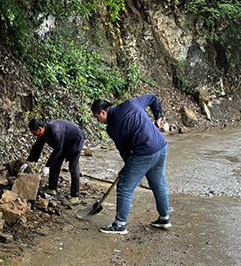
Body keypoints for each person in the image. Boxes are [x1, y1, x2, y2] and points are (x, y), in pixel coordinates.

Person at [90, 94, 171, 234]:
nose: (98, 121)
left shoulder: (112, 127)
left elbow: (124, 151)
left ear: (103, 112)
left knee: (124, 187)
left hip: (144, 152)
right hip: (161, 147)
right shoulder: (131, 103)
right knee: (159, 184)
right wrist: (158, 117)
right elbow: (152, 97)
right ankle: (164, 218)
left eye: (97, 117)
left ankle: (119, 225)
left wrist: (128, 167)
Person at [20, 118, 84, 204]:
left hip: (75, 141)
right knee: (55, 164)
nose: (34, 134)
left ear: (40, 129)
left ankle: (75, 196)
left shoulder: (55, 131)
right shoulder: (43, 132)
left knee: (73, 167)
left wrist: (47, 166)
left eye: (34, 132)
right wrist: (28, 162)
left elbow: (58, 150)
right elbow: (37, 147)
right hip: (63, 142)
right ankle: (52, 188)